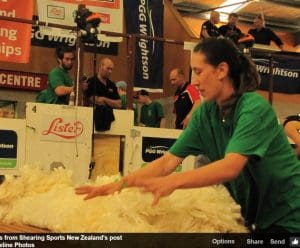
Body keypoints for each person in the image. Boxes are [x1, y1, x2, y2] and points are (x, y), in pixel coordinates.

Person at [76, 38, 300, 233]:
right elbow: (167, 162)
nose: (194, 81)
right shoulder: (205, 113)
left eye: (199, 71)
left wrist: (172, 183)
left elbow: (230, 167)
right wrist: (121, 184)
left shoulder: (254, 108)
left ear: (221, 70)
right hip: (257, 220)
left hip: (290, 216)